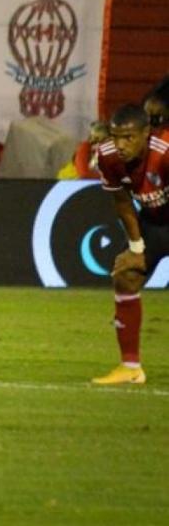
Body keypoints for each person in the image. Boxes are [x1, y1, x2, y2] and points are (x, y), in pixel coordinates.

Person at [91, 103, 168, 385]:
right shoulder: (108, 156)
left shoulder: (165, 150)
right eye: (115, 136)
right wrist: (136, 248)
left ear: (146, 133)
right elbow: (123, 202)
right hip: (154, 223)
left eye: (129, 137)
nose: (120, 145)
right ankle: (131, 367)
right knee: (126, 276)